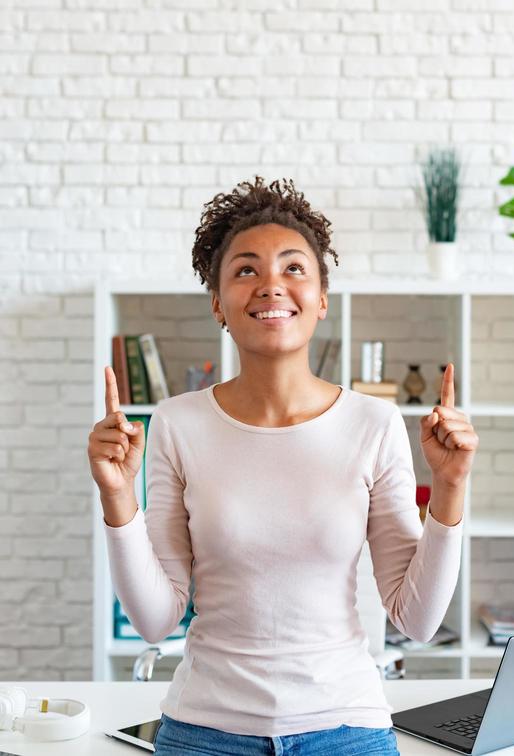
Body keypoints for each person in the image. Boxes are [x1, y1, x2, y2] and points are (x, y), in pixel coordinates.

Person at [87, 175, 479, 756]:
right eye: (245, 270)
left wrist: (450, 487)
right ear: (219, 303)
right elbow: (154, 620)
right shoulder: (177, 423)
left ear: (322, 297)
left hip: (347, 728)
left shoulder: (373, 425)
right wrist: (118, 498)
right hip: (203, 731)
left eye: (294, 268)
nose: (271, 284)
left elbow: (416, 620)